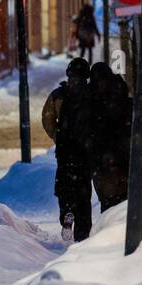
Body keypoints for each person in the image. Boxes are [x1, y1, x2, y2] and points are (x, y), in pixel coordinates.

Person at [47, 58, 95, 240]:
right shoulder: (91, 94)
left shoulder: (58, 94)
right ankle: (82, 231)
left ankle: (67, 211)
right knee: (83, 189)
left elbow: (47, 118)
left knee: (64, 184)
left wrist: (57, 136)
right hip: (84, 150)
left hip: (65, 149)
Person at [88, 62, 132, 211]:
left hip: (104, 156)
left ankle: (110, 228)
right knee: (121, 200)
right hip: (120, 155)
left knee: (108, 201)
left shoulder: (93, 98)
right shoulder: (119, 93)